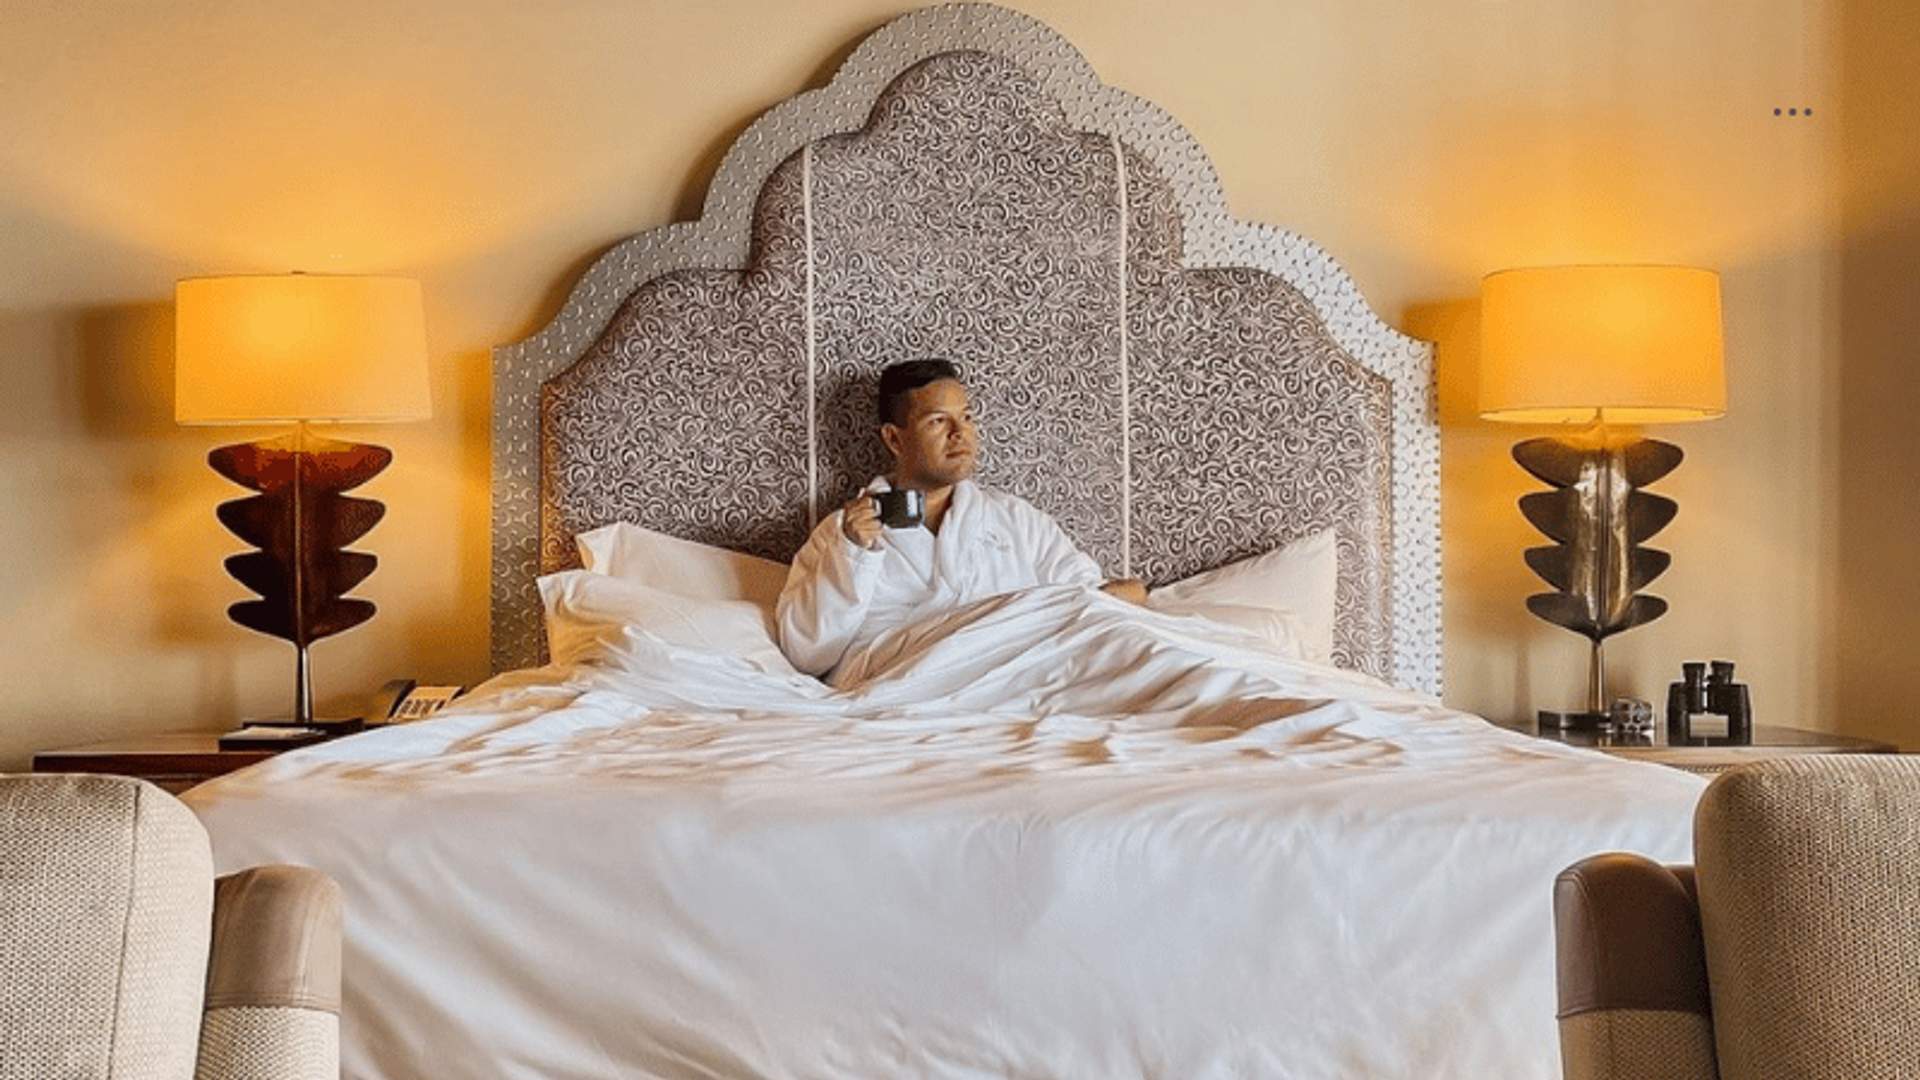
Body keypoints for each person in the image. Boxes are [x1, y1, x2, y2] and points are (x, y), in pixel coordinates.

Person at [777, 359, 1148, 678]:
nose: (961, 434)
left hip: (1022, 676)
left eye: (966, 417)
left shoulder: (1016, 520)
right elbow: (807, 653)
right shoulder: (842, 534)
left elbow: (1087, 598)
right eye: (939, 421)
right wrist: (853, 554)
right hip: (905, 682)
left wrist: (1118, 594)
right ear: (894, 439)